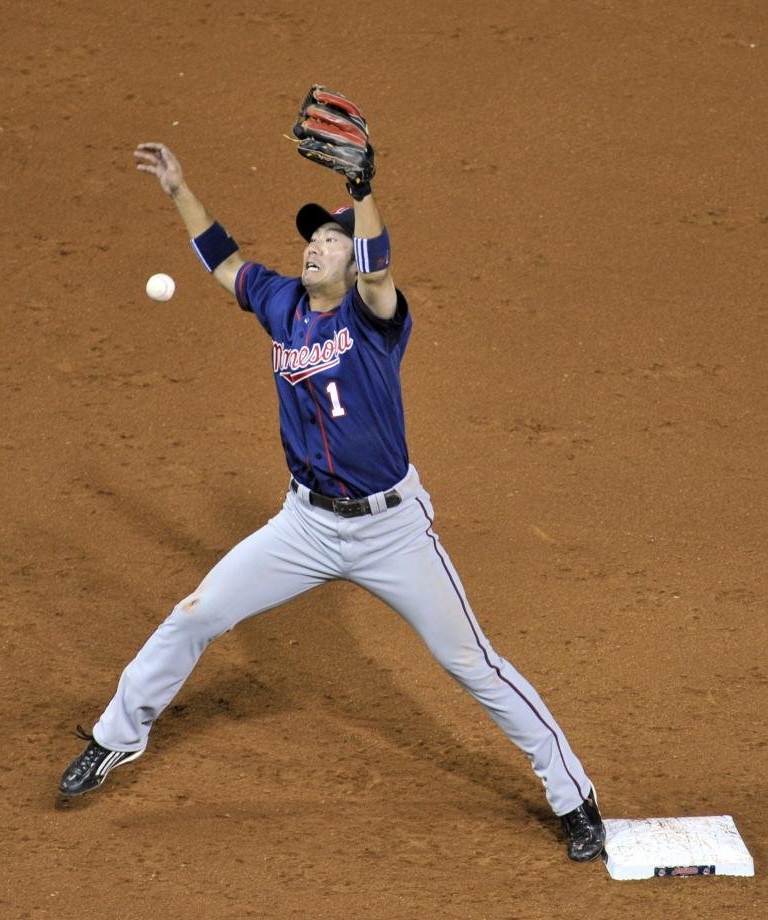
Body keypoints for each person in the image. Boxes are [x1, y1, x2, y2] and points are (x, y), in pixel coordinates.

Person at [59, 88, 606, 862]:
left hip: (393, 531)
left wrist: (362, 188)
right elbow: (225, 261)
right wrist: (180, 189)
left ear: (353, 263)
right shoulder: (282, 303)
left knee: (472, 663)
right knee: (194, 615)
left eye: (330, 241)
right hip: (306, 526)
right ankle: (116, 736)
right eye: (312, 238)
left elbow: (381, 269)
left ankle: (573, 795)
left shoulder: (373, 316)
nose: (315, 247)